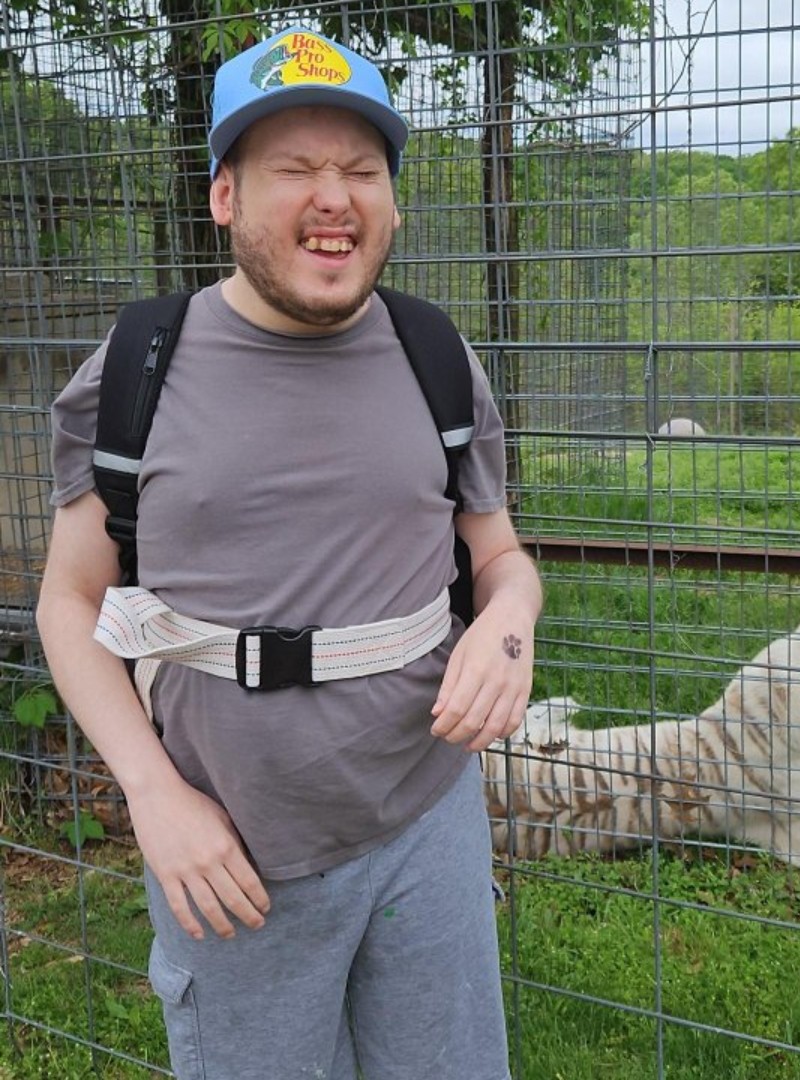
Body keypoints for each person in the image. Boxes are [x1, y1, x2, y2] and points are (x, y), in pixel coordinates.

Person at [35, 24, 542, 1080]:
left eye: (361, 170)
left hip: (426, 822)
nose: (334, 197)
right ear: (224, 194)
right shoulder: (135, 370)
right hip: (231, 859)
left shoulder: (438, 359)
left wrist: (506, 625)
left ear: (393, 202)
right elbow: (69, 602)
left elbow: (501, 560)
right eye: (294, 169)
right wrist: (152, 795)